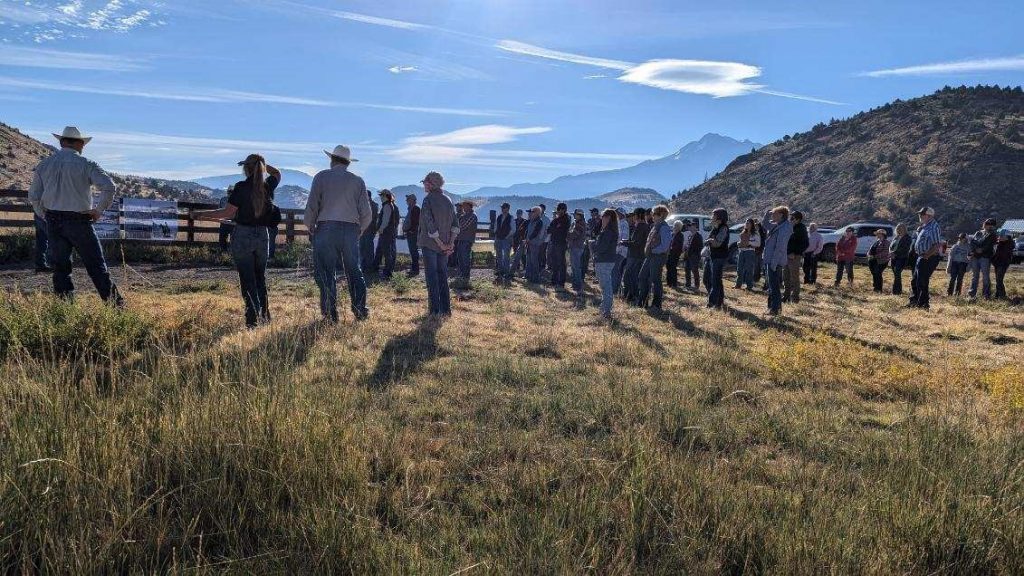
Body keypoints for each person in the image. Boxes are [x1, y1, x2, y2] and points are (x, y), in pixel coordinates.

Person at [28, 126, 123, 306]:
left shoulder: (44, 165)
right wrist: (98, 210)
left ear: (61, 142)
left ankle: (66, 310)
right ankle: (115, 306)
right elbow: (109, 187)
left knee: (61, 268)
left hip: (53, 220)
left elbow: (33, 196)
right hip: (79, 221)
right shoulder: (86, 164)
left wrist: (44, 215)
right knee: (96, 266)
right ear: (80, 144)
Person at [193, 154, 281, 328]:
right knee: (259, 278)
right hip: (263, 236)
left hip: (243, 235)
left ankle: (252, 320)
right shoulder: (268, 186)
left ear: (245, 169)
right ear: (261, 168)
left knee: (247, 278)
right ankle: (264, 317)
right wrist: (262, 164)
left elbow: (226, 213)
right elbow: (277, 173)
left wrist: (201, 214)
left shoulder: (240, 188)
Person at [304, 145, 372, 323]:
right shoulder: (358, 181)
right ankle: (360, 310)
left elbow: (313, 204)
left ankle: (330, 314)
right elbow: (366, 213)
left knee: (326, 272)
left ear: (332, 159)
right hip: (350, 229)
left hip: (326, 228)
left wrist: (310, 225)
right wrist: (359, 230)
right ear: (348, 163)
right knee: (353, 271)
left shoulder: (321, 177)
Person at [418, 172, 459, 316]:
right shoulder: (448, 200)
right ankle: (446, 310)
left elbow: (430, 225)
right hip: (446, 245)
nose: (423, 185)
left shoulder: (427, 200)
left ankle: (435, 310)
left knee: (432, 277)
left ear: (430, 183)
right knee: (443, 276)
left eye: (425, 182)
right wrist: (450, 243)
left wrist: (440, 244)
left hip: (431, 244)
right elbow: (455, 225)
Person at [635, 205, 673, 310]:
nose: (652, 215)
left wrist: (653, 250)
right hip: (651, 256)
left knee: (655, 279)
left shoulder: (664, 227)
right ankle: (643, 302)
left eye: (654, 213)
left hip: (658, 257)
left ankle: (656, 304)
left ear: (660, 215)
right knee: (642, 276)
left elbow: (665, 246)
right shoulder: (655, 226)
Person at [761, 206, 793, 316]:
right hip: (769, 259)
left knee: (774, 286)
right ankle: (772, 308)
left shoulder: (785, 228)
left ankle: (775, 309)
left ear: (781, 215)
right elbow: (765, 225)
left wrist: (774, 263)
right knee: (771, 285)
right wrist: (767, 214)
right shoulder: (778, 225)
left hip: (775, 261)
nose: (772, 215)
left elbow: (780, 247)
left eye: (774, 213)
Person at [909, 207, 942, 309]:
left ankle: (923, 304)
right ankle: (914, 302)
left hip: (929, 257)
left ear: (929, 215)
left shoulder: (934, 227)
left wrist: (927, 255)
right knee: (915, 281)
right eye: (920, 214)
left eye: (922, 214)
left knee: (922, 281)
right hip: (922, 257)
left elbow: (936, 245)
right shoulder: (925, 226)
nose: (920, 216)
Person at [592, 209, 620, 320]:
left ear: (608, 218)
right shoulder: (609, 230)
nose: (601, 218)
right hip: (606, 260)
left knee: (606, 286)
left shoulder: (608, 232)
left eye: (602, 216)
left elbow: (602, 247)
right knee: (605, 285)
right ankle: (604, 308)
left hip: (604, 260)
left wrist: (593, 245)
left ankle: (606, 311)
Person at [621, 208, 650, 303]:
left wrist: (623, 242)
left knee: (629, 276)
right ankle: (633, 296)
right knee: (633, 276)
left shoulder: (640, 227)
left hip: (635, 255)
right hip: (640, 255)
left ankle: (631, 296)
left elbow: (636, 243)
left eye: (634, 215)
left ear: (637, 215)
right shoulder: (645, 226)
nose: (633, 217)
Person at [704, 208, 730, 309]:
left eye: (714, 215)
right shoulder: (715, 227)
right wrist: (710, 240)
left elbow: (717, 244)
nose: (712, 217)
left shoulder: (723, 228)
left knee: (715, 280)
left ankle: (712, 303)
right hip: (712, 257)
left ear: (719, 217)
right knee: (708, 279)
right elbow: (708, 240)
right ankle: (719, 300)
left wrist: (710, 240)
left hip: (719, 257)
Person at [967, 218, 997, 299]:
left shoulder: (993, 235)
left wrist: (982, 250)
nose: (989, 226)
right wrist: (975, 250)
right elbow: (972, 242)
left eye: (991, 225)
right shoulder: (978, 232)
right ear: (985, 224)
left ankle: (986, 295)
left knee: (985, 276)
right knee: (975, 276)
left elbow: (989, 245)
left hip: (985, 257)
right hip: (975, 256)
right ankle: (972, 294)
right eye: (987, 224)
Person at [373, 189, 400, 280]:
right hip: (390, 232)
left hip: (386, 233)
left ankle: (388, 272)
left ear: (386, 196)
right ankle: (377, 268)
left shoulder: (387, 206)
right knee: (383, 250)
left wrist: (381, 229)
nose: (380, 197)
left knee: (387, 252)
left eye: (382, 195)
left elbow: (385, 220)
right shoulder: (392, 205)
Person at [783, 211, 808, 303]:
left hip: (794, 256)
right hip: (786, 255)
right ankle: (786, 296)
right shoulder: (789, 227)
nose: (790, 219)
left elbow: (805, 244)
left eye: (792, 218)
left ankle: (795, 298)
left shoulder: (801, 229)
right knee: (785, 276)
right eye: (790, 217)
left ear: (798, 219)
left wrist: (795, 253)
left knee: (794, 278)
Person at [546, 203, 571, 289]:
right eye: (558, 209)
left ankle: (561, 282)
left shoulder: (566, 219)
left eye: (560, 209)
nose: (559, 211)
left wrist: (555, 229)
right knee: (554, 263)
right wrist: (555, 228)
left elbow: (560, 230)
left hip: (561, 243)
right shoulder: (556, 220)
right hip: (554, 242)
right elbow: (549, 230)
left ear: (563, 210)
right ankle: (554, 281)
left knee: (561, 263)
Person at [567, 209, 589, 305]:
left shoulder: (580, 224)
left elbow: (574, 235)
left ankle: (578, 286)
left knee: (576, 267)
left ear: (579, 215)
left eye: (575, 215)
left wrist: (567, 234)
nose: (574, 216)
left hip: (577, 247)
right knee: (574, 266)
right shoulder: (579, 223)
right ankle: (575, 284)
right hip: (576, 247)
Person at [734, 218, 760, 290]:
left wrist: (749, 243)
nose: (747, 224)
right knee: (739, 269)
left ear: (752, 225)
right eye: (746, 223)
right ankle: (738, 285)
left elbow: (758, 243)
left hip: (750, 252)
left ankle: (749, 286)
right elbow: (740, 241)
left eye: (748, 223)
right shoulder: (743, 232)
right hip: (742, 251)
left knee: (749, 269)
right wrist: (739, 243)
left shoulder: (755, 233)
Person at [455, 201, 478, 280]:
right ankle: (462, 274)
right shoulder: (465, 215)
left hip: (467, 240)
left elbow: (463, 226)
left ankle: (465, 275)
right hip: (462, 239)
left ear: (469, 206)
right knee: (460, 257)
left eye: (464, 206)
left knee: (465, 258)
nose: (463, 207)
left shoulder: (472, 216)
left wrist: (456, 227)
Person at [493, 202, 515, 282]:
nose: (502, 209)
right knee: (499, 256)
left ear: (507, 209)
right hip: (498, 238)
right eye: (502, 207)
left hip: (506, 239)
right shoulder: (499, 217)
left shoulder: (511, 217)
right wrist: (496, 237)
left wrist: (507, 236)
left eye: (504, 207)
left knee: (506, 257)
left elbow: (513, 229)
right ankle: (500, 271)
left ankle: (506, 272)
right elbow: (495, 227)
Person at [359, 190, 379, 275]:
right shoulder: (374, 205)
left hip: (367, 230)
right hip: (368, 230)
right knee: (366, 250)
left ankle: (366, 268)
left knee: (366, 250)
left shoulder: (369, 205)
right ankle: (366, 267)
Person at [890, 223, 912, 295]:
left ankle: (896, 291)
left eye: (901, 227)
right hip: (893, 257)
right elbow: (891, 246)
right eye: (898, 228)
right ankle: (897, 290)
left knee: (897, 273)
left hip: (901, 258)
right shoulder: (896, 237)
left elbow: (905, 248)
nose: (899, 229)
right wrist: (891, 252)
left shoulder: (908, 238)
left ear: (904, 229)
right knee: (896, 274)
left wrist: (894, 253)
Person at [867, 228, 891, 293]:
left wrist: (875, 256)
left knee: (878, 273)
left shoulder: (886, 242)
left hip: (881, 261)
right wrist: (869, 254)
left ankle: (879, 289)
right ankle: (875, 288)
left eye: (878, 234)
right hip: (873, 260)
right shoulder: (876, 242)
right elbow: (870, 250)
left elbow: (885, 252)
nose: (877, 235)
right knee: (874, 273)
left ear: (882, 234)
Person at [525, 206, 545, 283]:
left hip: (535, 244)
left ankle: (535, 278)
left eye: (532, 211)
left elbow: (536, 232)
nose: (531, 213)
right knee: (529, 260)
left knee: (534, 261)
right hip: (529, 243)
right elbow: (528, 231)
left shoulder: (539, 222)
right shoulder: (531, 221)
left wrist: (529, 239)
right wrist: (526, 239)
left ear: (537, 213)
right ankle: (529, 276)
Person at [403, 193, 421, 277]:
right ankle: (414, 268)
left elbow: (416, 222)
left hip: (413, 233)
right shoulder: (412, 208)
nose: (406, 201)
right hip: (412, 232)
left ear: (412, 200)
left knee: (413, 250)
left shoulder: (415, 208)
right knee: (413, 250)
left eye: (408, 199)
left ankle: (415, 269)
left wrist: (411, 231)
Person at [613, 207, 630, 294]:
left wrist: (618, 248)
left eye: (617, 213)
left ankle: (615, 289)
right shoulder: (619, 223)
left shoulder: (624, 224)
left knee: (615, 269)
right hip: (617, 250)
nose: (616, 215)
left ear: (621, 214)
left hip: (620, 251)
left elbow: (624, 238)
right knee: (616, 269)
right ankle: (616, 288)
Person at [683, 220, 703, 292]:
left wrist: (693, 253)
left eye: (691, 226)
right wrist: (686, 248)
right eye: (689, 226)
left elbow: (700, 247)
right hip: (688, 255)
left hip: (694, 256)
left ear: (695, 227)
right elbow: (688, 244)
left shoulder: (698, 236)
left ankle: (696, 286)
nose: (689, 228)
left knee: (695, 271)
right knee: (687, 270)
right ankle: (688, 285)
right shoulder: (690, 235)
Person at [992, 230, 1013, 300]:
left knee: (999, 279)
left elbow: (1004, 254)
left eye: (1002, 236)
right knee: (998, 280)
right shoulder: (1000, 243)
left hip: (1003, 263)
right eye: (1000, 236)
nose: (1000, 237)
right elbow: (996, 253)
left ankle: (1002, 295)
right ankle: (997, 295)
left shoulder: (1009, 244)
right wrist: (994, 260)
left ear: (1007, 237)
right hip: (997, 263)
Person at [666, 220, 685, 289]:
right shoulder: (672, 234)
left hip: (675, 254)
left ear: (680, 227)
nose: (675, 227)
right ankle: (669, 282)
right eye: (675, 225)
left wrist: (671, 248)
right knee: (668, 267)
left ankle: (674, 283)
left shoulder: (680, 235)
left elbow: (678, 246)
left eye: (677, 226)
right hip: (669, 253)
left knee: (673, 268)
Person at [511, 209, 529, 276]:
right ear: (516, 213)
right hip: (515, 239)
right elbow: (512, 231)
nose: (518, 214)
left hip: (522, 239)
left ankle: (524, 267)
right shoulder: (514, 221)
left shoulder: (525, 221)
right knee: (515, 253)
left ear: (521, 214)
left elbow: (526, 231)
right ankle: (517, 267)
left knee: (523, 254)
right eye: (517, 213)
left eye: (520, 213)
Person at [538, 203, 550, 271]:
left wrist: (544, 239)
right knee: (537, 253)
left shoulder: (546, 219)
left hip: (544, 240)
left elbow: (548, 230)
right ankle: (538, 266)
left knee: (542, 253)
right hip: (537, 239)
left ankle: (542, 266)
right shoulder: (536, 218)